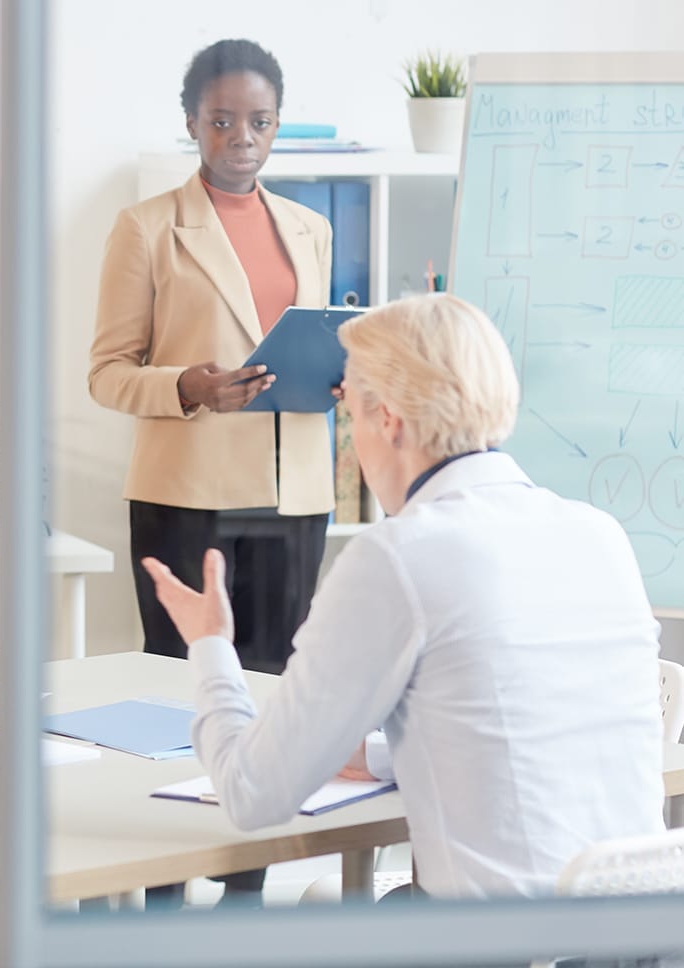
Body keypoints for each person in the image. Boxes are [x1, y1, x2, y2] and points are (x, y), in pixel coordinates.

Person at [144, 293, 665, 897]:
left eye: (349, 410)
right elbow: (537, 719)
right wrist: (385, 756)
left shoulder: (398, 556)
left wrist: (210, 648)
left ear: (387, 418)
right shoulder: (598, 534)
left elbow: (251, 793)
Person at [88, 36, 330, 907]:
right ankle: (157, 896)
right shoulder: (146, 227)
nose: (241, 137)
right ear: (191, 121)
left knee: (271, 702)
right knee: (178, 693)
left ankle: (242, 900)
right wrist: (187, 385)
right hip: (185, 499)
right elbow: (107, 370)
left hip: (295, 495)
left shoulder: (311, 227)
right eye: (222, 120)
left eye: (259, 121)